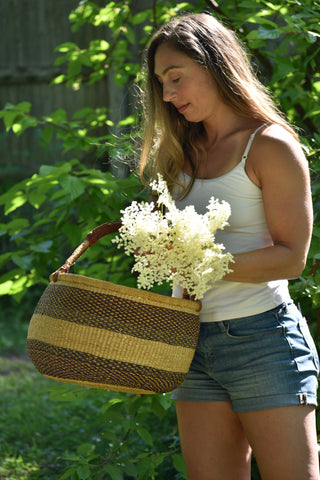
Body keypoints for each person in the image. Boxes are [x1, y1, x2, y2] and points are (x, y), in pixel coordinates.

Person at [138, 12, 319, 480]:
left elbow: (292, 257)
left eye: (176, 78)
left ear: (215, 64)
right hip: (191, 342)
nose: (168, 95)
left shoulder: (270, 145)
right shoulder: (178, 151)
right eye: (161, 83)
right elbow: (173, 247)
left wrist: (200, 264)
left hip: (263, 340)